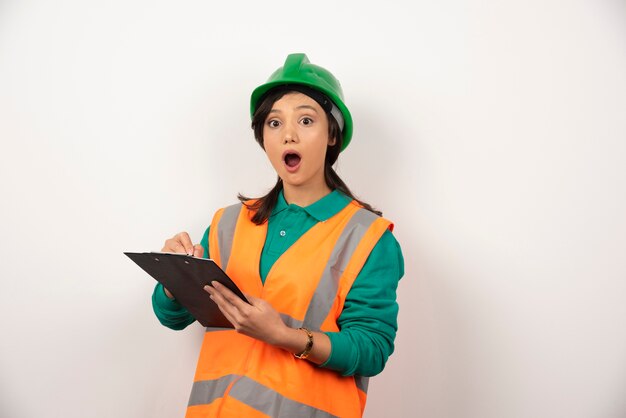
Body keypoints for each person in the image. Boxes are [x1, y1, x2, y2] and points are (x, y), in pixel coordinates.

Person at [152, 53, 404, 418]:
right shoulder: (228, 223)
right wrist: (174, 277)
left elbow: (372, 349)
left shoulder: (368, 238)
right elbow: (171, 316)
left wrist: (285, 336)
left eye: (306, 120)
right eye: (274, 122)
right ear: (263, 137)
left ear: (332, 134)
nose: (288, 134)